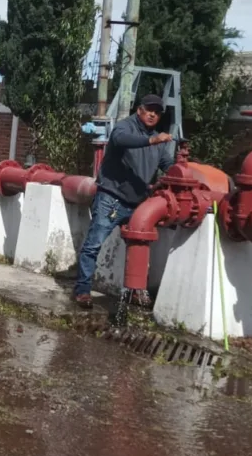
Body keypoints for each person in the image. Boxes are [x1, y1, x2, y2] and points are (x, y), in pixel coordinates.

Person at [73, 94, 175, 309]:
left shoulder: (158, 142)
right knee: (93, 245)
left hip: (138, 204)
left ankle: (135, 291)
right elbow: (120, 140)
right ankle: (82, 291)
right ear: (139, 110)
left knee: (139, 247)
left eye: (157, 111)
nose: (152, 114)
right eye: (149, 109)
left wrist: (188, 170)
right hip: (112, 198)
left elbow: (169, 166)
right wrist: (151, 140)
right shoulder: (124, 128)